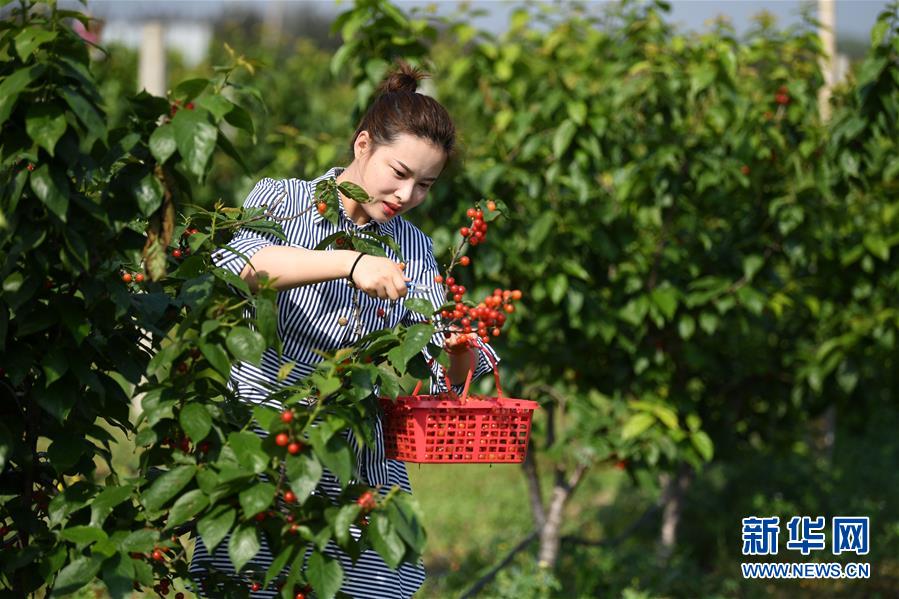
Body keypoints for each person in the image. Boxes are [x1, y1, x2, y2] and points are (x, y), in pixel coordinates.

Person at [189, 62, 499, 598]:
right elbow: (244, 266)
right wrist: (350, 264)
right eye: (399, 173)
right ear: (363, 145)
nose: (406, 195)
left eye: (424, 185)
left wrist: (456, 349)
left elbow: (442, 374)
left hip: (357, 471)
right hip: (268, 453)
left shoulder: (413, 248)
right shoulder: (285, 200)